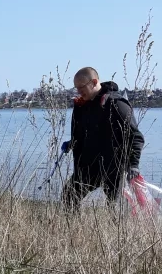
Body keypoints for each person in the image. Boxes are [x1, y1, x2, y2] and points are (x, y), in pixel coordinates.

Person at [60, 67, 145, 209]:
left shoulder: (116, 104)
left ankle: (115, 230)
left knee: (114, 209)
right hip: (87, 168)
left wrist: (133, 165)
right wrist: (73, 143)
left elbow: (135, 137)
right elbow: (87, 134)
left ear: (94, 82)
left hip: (113, 169)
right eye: (76, 88)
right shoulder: (82, 107)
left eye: (81, 87)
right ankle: (73, 230)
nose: (79, 91)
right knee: (68, 197)